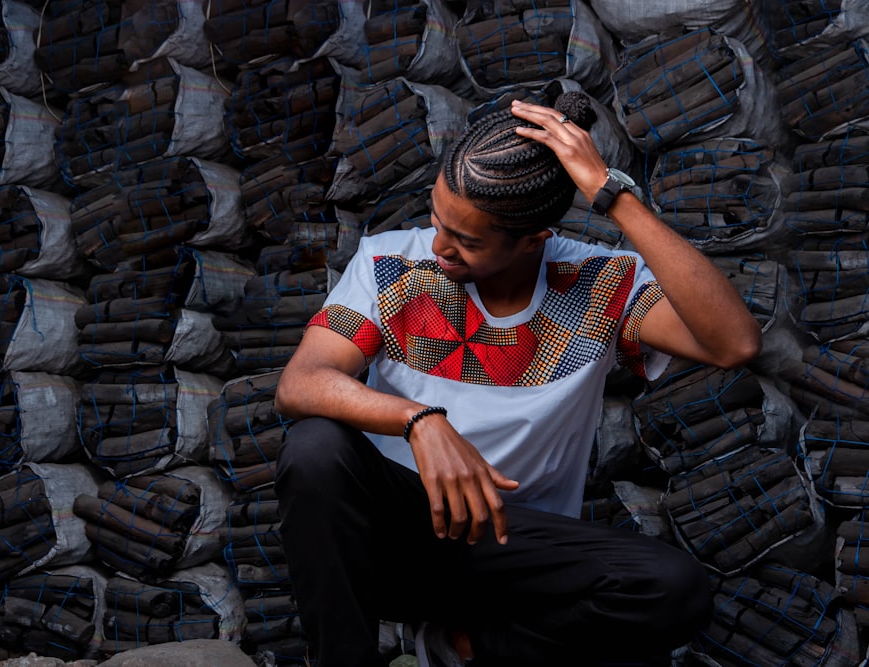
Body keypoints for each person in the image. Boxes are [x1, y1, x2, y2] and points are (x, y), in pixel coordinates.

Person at [271, 92, 763, 667]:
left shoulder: (599, 284)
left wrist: (611, 193)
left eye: (467, 241)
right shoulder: (389, 266)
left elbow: (735, 343)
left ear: (534, 239)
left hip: (511, 551)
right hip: (395, 543)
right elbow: (300, 383)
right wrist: (417, 422)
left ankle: (473, 647)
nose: (438, 246)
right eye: (436, 219)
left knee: (674, 588)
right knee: (314, 447)